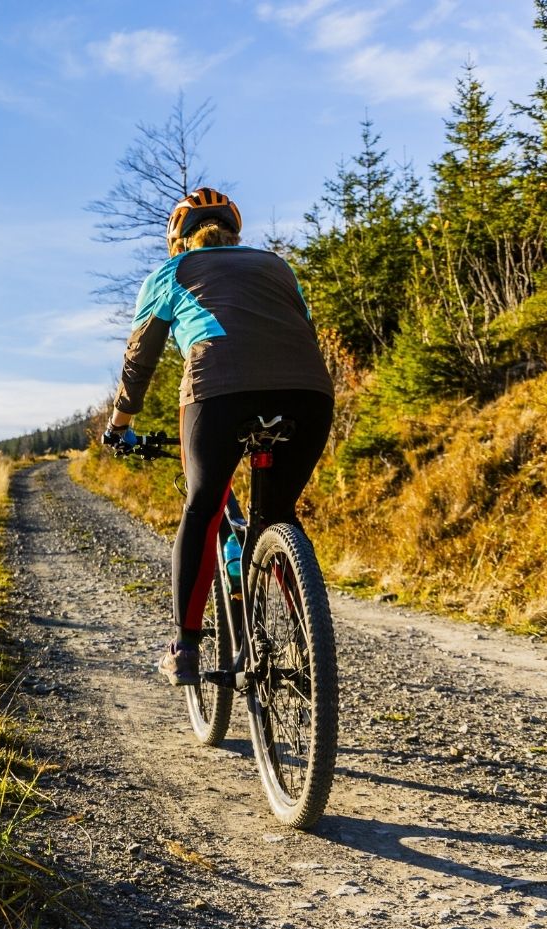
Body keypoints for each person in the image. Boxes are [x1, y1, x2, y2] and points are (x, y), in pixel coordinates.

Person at [102, 187, 334, 686]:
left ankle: (184, 648)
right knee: (277, 516)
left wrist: (120, 424)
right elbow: (304, 329)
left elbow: (138, 362)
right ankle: (308, 639)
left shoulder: (170, 273)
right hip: (308, 393)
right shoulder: (276, 266)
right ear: (233, 231)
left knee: (203, 506)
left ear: (178, 239)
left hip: (220, 393)